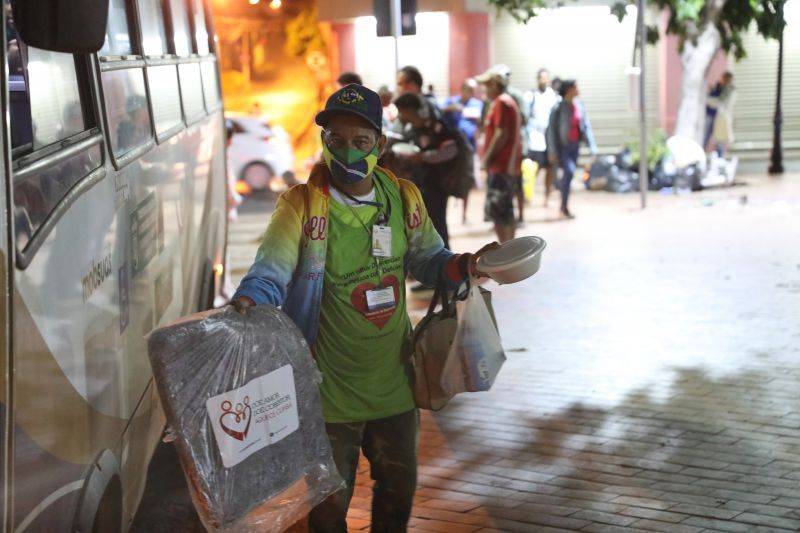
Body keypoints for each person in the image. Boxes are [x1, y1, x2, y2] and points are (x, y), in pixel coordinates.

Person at [231, 84, 496, 533]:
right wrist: (250, 298)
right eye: (336, 140)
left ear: (381, 145)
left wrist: (464, 265)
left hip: (394, 384)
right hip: (328, 393)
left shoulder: (402, 198)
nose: (348, 152)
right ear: (324, 141)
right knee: (329, 511)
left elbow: (429, 260)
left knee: (398, 493)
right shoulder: (300, 205)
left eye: (361, 141)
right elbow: (270, 271)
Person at [394, 92, 460, 249]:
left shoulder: (436, 127)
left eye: (401, 111)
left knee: (437, 225)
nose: (399, 116)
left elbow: (451, 150)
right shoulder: (410, 130)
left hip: (436, 186)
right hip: (416, 186)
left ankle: (445, 264)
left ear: (409, 110)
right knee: (417, 226)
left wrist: (423, 157)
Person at [476, 68, 522, 243]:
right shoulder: (506, 101)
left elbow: (501, 134)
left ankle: (506, 249)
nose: (484, 90)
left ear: (494, 84)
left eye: (486, 85)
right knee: (505, 210)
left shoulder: (501, 103)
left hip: (500, 166)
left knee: (499, 211)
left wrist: (486, 159)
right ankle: (508, 248)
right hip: (504, 166)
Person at [546, 80, 597, 219]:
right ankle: (564, 204)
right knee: (569, 172)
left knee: (568, 176)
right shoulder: (558, 108)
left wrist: (592, 145)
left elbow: (585, 126)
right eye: (575, 87)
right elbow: (550, 131)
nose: (577, 89)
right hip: (563, 147)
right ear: (568, 90)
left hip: (575, 146)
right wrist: (552, 150)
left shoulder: (579, 105)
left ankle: (564, 204)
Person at [442, 78, 483, 223]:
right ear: (463, 89)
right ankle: (445, 214)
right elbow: (439, 110)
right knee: (447, 179)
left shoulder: (478, 104)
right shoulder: (452, 101)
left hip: (468, 149)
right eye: (469, 90)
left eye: (473, 91)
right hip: (452, 148)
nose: (471, 93)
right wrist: (452, 108)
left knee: (466, 180)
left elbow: (482, 122)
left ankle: (464, 214)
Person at [525, 68, 559, 207]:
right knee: (535, 167)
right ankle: (528, 193)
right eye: (541, 78)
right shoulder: (531, 95)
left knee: (550, 168)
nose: (543, 80)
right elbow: (526, 116)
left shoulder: (554, 96)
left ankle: (547, 195)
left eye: (546, 78)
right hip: (536, 138)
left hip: (550, 139)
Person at [705, 71, 735, 156]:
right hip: (720, 117)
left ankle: (720, 157)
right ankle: (720, 156)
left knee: (720, 139)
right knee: (719, 139)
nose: (722, 80)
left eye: (724, 78)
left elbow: (720, 102)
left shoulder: (729, 90)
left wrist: (707, 99)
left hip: (722, 117)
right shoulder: (724, 88)